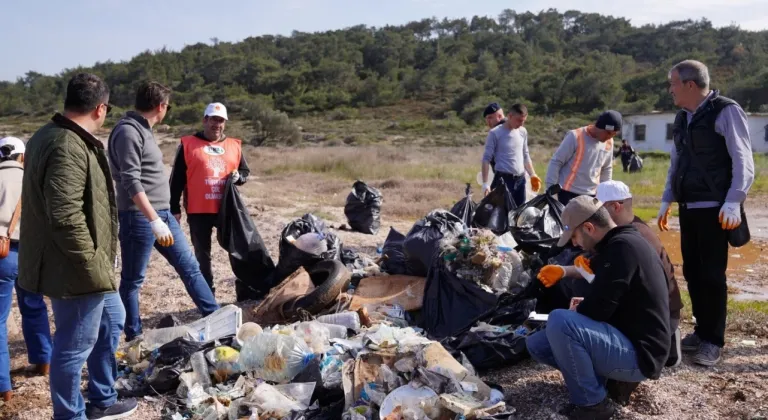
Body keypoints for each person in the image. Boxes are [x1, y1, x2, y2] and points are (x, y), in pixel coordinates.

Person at [19, 73, 137, 419]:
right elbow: (65, 216)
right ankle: (70, 414)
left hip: (84, 264)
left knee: (114, 319)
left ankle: (103, 397)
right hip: (74, 268)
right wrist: (91, 263)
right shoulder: (67, 145)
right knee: (73, 346)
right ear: (101, 108)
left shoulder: (53, 135)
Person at [528, 195, 670, 420]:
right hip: (625, 337)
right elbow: (590, 270)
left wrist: (572, 315)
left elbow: (597, 310)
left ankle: (593, 404)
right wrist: (563, 271)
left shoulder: (622, 249)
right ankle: (604, 383)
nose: (574, 244)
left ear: (589, 228)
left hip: (641, 355)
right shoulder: (619, 242)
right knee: (537, 344)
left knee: (560, 322)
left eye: (574, 237)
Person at [657, 59, 755, 366]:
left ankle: (713, 340)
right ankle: (701, 331)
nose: (670, 90)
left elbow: (743, 160)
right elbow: (677, 161)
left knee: (712, 275)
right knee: (693, 272)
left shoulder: (726, 111)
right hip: (689, 207)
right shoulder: (682, 117)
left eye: (673, 83)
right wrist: (667, 199)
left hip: (716, 209)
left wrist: (733, 200)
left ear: (690, 85)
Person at [108, 81, 219, 342]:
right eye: (168, 106)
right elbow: (131, 180)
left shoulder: (143, 129)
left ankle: (215, 317)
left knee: (190, 267)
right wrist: (153, 220)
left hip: (162, 215)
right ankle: (134, 335)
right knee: (132, 280)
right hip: (139, 217)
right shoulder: (128, 131)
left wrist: (162, 216)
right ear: (161, 106)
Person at [169, 103, 251, 295]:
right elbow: (176, 179)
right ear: (205, 120)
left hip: (227, 208)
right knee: (202, 255)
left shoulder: (234, 145)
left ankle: (245, 288)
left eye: (221, 120)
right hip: (198, 209)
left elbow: (245, 171)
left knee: (237, 249)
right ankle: (207, 294)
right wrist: (174, 208)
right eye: (214, 119)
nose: (217, 124)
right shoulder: (188, 144)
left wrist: (240, 177)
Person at [0, 137, 52, 403]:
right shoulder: (32, 179)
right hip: (30, 252)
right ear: (22, 157)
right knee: (34, 306)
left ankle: (3, 386)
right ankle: (44, 362)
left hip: (2, 253)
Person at [545, 111, 622, 206]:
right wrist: (551, 191)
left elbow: (606, 168)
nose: (609, 137)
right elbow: (556, 162)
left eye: (613, 135)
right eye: (608, 133)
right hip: (566, 194)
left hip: (592, 196)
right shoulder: (575, 136)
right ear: (599, 127)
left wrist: (605, 194)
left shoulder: (609, 142)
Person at [481, 103, 542, 206]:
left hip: (520, 180)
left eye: (523, 121)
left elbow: (525, 155)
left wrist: (533, 174)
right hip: (503, 180)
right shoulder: (495, 133)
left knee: (520, 212)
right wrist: (485, 183)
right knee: (499, 212)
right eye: (518, 120)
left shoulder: (523, 132)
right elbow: (486, 159)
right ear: (509, 116)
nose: (521, 124)